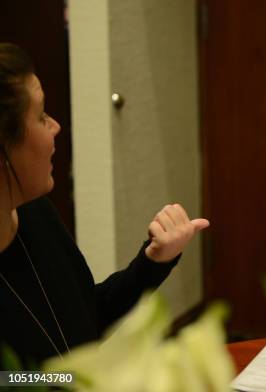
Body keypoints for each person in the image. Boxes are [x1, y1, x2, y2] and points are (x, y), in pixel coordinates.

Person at [0, 43, 208, 365]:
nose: (55, 126)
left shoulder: (35, 211)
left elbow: (87, 320)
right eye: (41, 116)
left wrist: (153, 261)